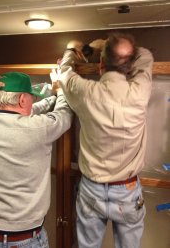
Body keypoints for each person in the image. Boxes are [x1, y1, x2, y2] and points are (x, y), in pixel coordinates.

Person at [53, 32, 154, 248]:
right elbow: (145, 55)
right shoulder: (140, 92)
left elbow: (63, 72)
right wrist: (107, 45)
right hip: (127, 190)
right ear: (129, 67)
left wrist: (73, 50)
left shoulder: (85, 91)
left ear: (100, 65)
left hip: (91, 189)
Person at [0, 71, 72, 248]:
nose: (33, 101)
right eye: (31, 97)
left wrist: (49, 99)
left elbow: (22, 114)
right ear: (22, 100)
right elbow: (64, 115)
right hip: (23, 240)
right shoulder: (39, 128)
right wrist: (61, 90)